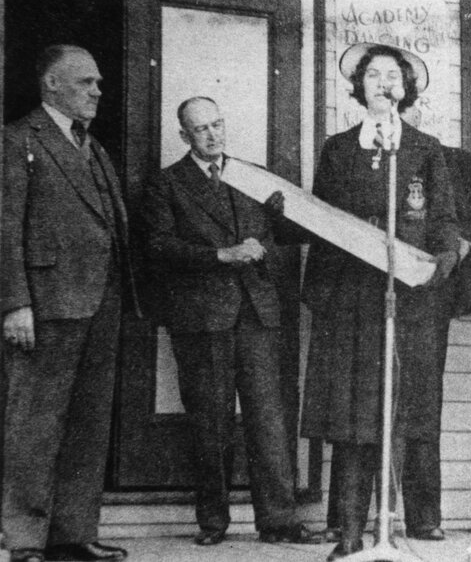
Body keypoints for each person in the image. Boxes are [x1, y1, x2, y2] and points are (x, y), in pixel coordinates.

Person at [297, 43, 459, 560]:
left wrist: (439, 263)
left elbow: (444, 222)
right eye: (373, 75)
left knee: (403, 411)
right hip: (352, 304)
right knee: (354, 415)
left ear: (405, 89)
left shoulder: (424, 149)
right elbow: (319, 219)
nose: (383, 83)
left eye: (393, 76)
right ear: (359, 87)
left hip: (406, 304)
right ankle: (349, 533)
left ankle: (400, 526)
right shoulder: (339, 149)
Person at [141, 97, 321, 547]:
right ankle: (213, 523)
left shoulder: (250, 177)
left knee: (269, 421)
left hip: (256, 315)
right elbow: (158, 247)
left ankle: (278, 522)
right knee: (210, 423)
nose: (212, 134)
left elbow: (289, 234)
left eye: (217, 124)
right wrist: (222, 254)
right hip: (202, 320)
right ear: (184, 136)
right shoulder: (166, 184)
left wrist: (286, 213)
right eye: (201, 129)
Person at [1, 45, 135, 562]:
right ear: (51, 84)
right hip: (47, 306)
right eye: (86, 82)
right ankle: (25, 539)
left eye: (98, 82)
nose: (97, 91)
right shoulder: (18, 140)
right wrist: (14, 304)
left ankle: (74, 533)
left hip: (99, 303)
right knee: (34, 424)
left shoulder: (91, 145)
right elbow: (5, 228)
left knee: (88, 423)